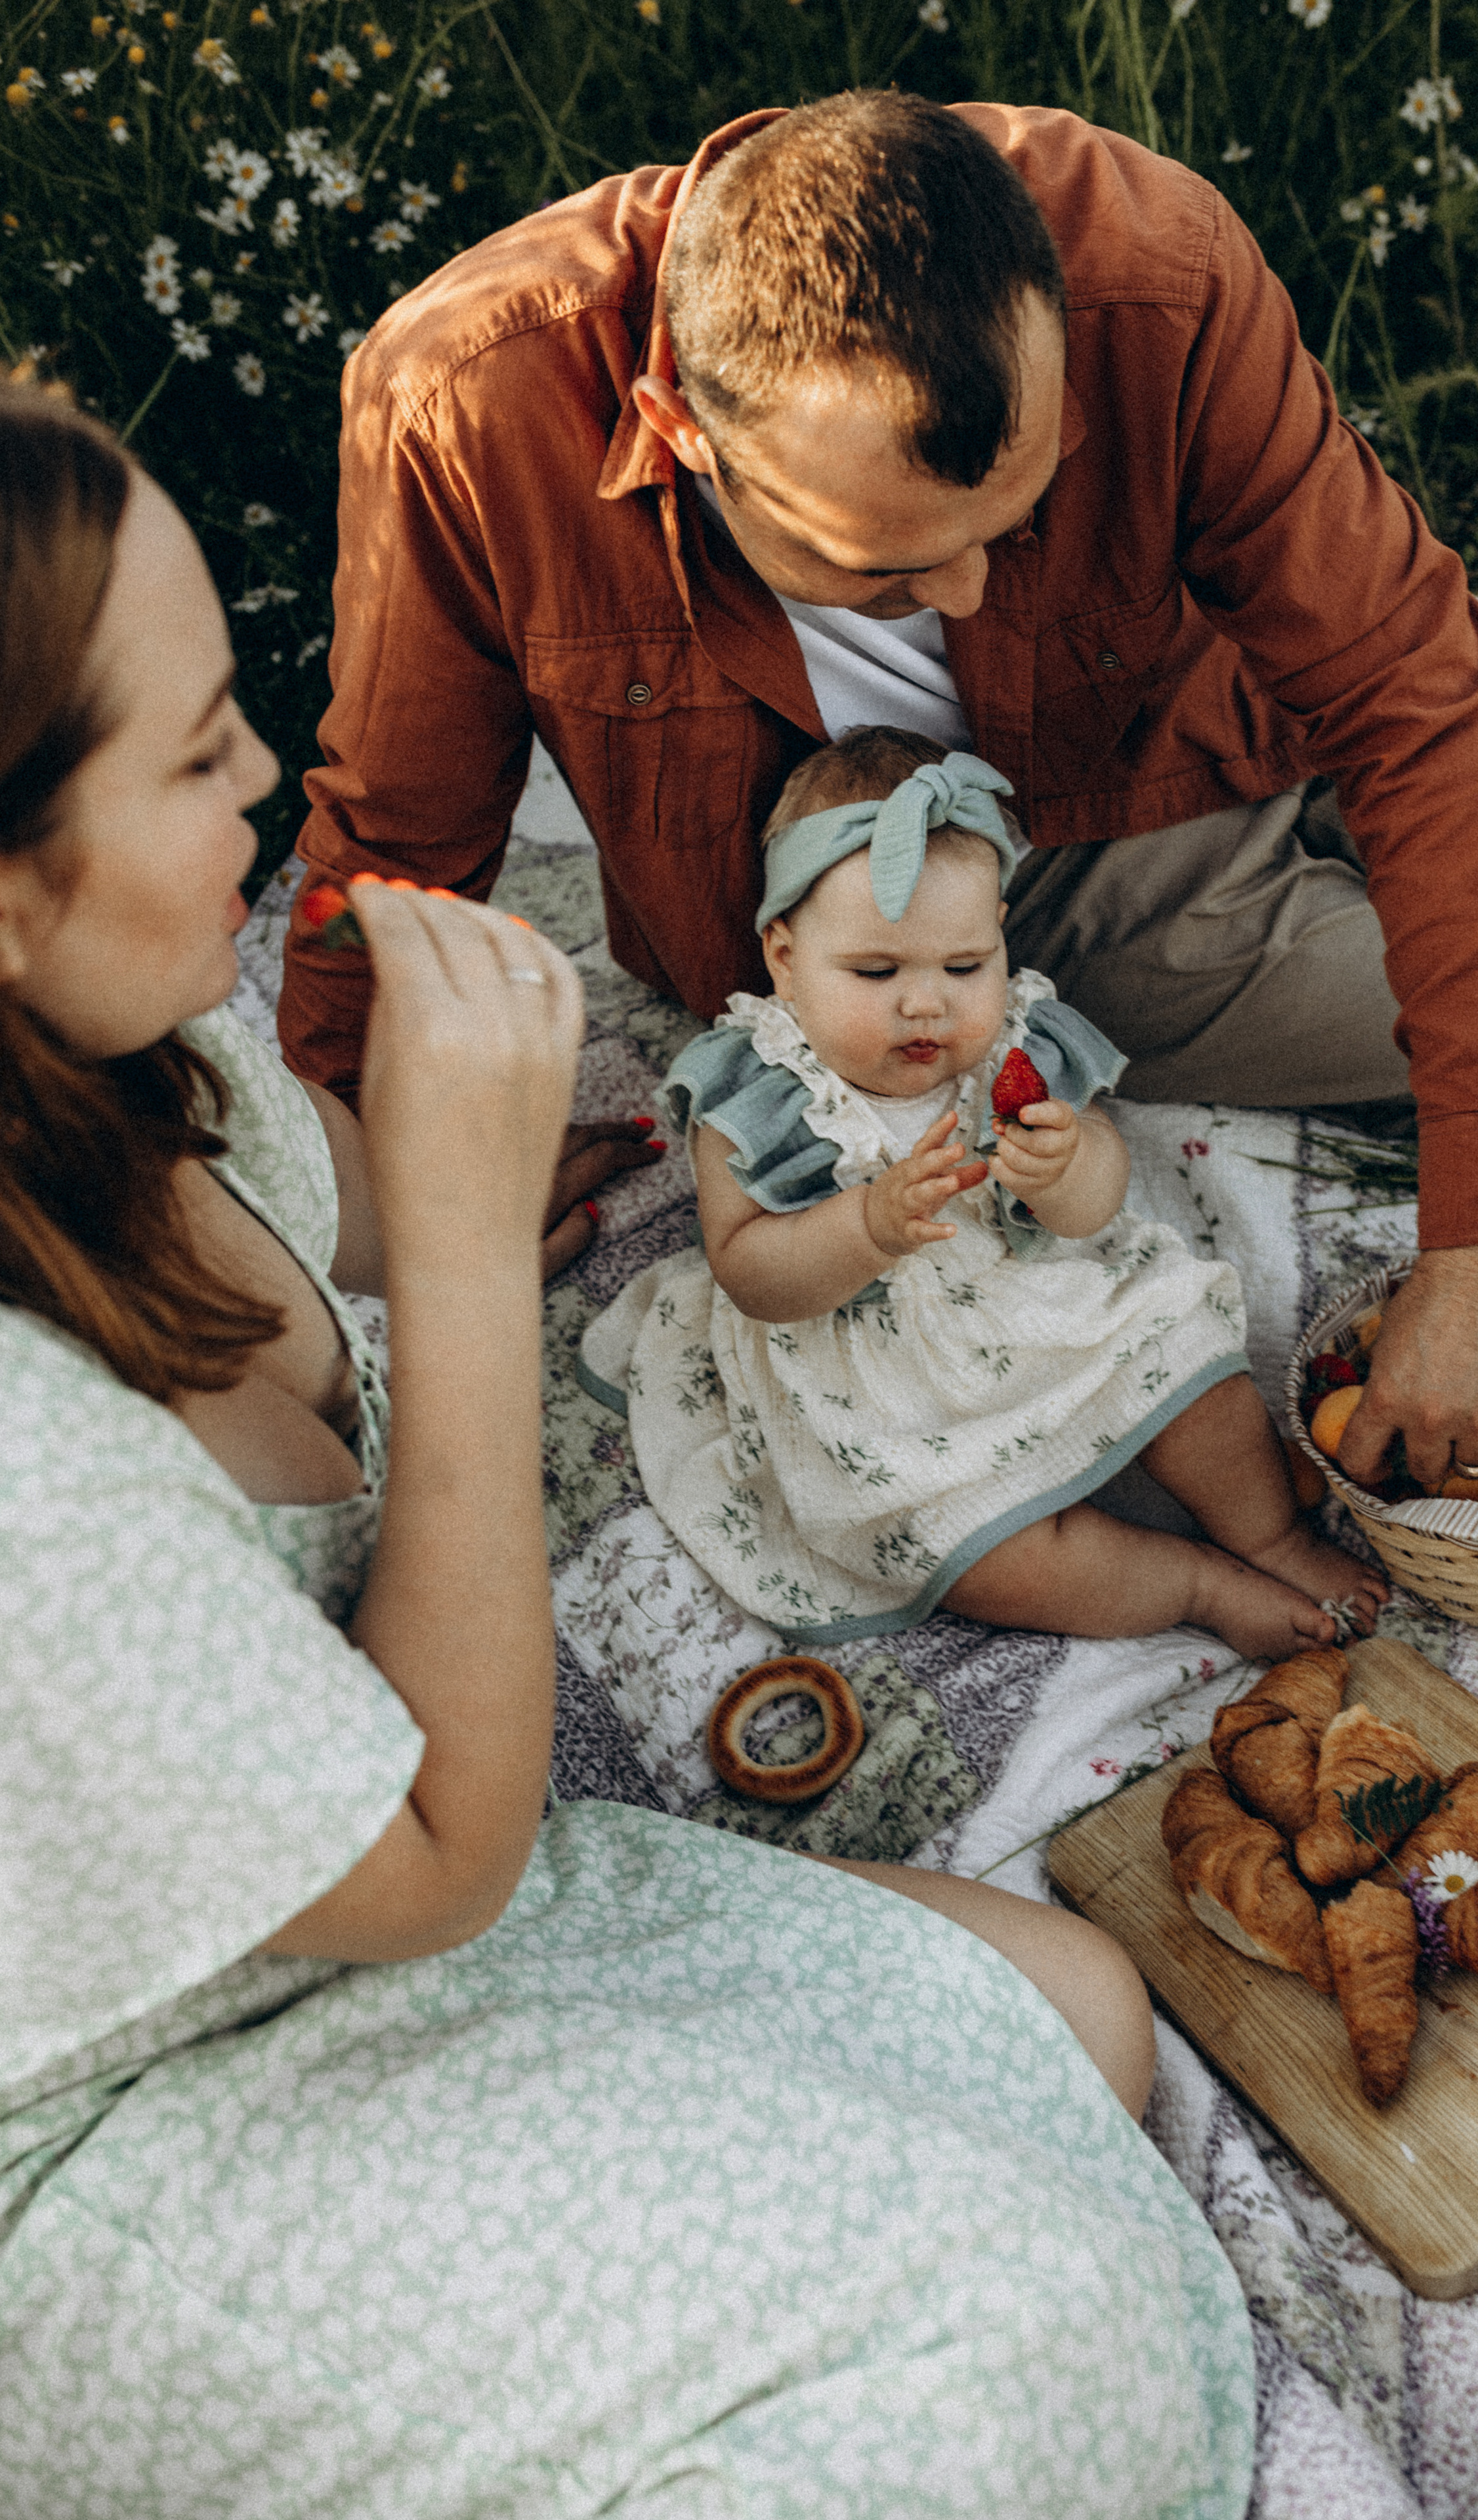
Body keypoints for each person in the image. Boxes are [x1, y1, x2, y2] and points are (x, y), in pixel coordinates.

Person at [0, 385, 1256, 2515]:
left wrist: (499, 1163)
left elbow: (327, 1190)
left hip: (351, 1904)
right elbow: (441, 1855)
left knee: (1073, 2013)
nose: (266, 792)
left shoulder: (127, 1039)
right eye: (200, 752)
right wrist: (470, 1262)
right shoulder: (32, 1488)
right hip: (177, 2100)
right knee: (1030, 2351)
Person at [280, 88, 1478, 1511]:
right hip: (1033, 892)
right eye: (886, 572)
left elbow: (1416, 703)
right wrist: (340, 1175)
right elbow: (395, 833)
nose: (962, 592)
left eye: (1018, 520)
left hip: (1248, 697)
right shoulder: (465, 405)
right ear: (680, 429)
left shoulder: (1156, 266)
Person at [581, 727, 1387, 1657]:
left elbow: (1095, 1207)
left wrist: (1069, 1165)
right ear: (784, 956)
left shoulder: (1018, 1041)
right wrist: (867, 1226)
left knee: (1195, 1370)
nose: (927, 1003)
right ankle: (1195, 1584)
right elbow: (749, 1271)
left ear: (999, 934)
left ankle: (1270, 1536)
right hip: (874, 1377)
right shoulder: (755, 1088)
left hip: (1040, 1297)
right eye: (876, 972)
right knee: (966, 1549)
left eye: (963, 966)